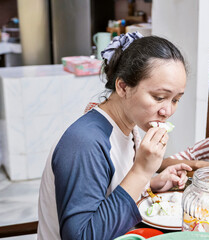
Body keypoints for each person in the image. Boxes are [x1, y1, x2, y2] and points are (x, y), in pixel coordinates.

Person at [38, 32, 192, 240]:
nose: (167, 111)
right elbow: (81, 236)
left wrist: (151, 183)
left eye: (175, 100)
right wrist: (141, 171)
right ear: (123, 87)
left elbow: (108, 188)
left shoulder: (130, 126)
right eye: (159, 97)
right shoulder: (85, 143)